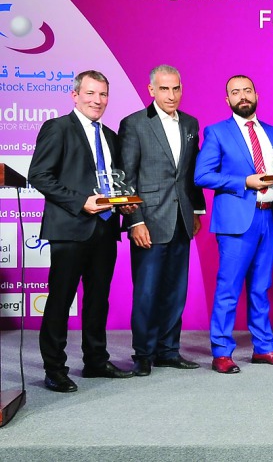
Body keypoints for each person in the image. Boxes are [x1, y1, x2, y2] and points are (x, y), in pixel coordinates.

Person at [29, 71, 135, 392]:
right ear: (75, 95)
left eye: (102, 95)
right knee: (61, 300)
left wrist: (124, 202)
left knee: (98, 300)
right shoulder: (58, 128)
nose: (97, 100)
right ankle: (55, 368)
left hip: (105, 230)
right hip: (70, 228)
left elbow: (114, 181)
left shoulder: (111, 136)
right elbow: (40, 175)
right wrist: (81, 202)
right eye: (90, 94)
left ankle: (95, 361)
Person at [193, 75, 273, 374]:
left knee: (261, 288)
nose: (242, 96)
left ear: (256, 94)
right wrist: (244, 182)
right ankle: (222, 352)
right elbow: (202, 175)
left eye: (247, 90)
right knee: (228, 288)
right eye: (235, 93)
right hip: (237, 222)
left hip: (270, 216)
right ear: (227, 100)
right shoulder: (217, 132)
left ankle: (264, 348)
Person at [118, 64, 205, 376]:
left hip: (181, 219)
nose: (172, 95)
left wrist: (196, 211)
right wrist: (134, 221)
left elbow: (191, 174)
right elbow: (125, 178)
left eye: (176, 88)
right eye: (165, 89)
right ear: (151, 90)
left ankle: (168, 350)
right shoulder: (134, 124)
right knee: (146, 292)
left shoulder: (191, 124)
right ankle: (143, 353)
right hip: (149, 220)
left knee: (175, 291)